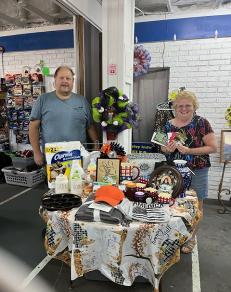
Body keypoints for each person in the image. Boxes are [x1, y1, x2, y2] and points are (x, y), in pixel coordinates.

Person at [161, 90, 217, 253]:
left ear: (194, 107)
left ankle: (191, 238)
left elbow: (213, 147)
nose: (184, 109)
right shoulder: (167, 125)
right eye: (180, 106)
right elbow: (162, 148)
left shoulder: (202, 123)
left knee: (196, 204)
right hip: (173, 170)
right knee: (173, 202)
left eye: (188, 106)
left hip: (198, 170)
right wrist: (167, 149)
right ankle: (175, 234)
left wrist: (188, 151)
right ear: (175, 107)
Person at [29, 66, 99, 166]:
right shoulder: (43, 100)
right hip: (53, 157)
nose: (65, 81)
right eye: (61, 78)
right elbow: (33, 127)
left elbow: (90, 126)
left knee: (81, 181)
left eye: (68, 78)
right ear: (55, 80)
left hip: (78, 157)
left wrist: (96, 146)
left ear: (73, 81)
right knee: (55, 181)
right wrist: (36, 152)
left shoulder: (82, 101)